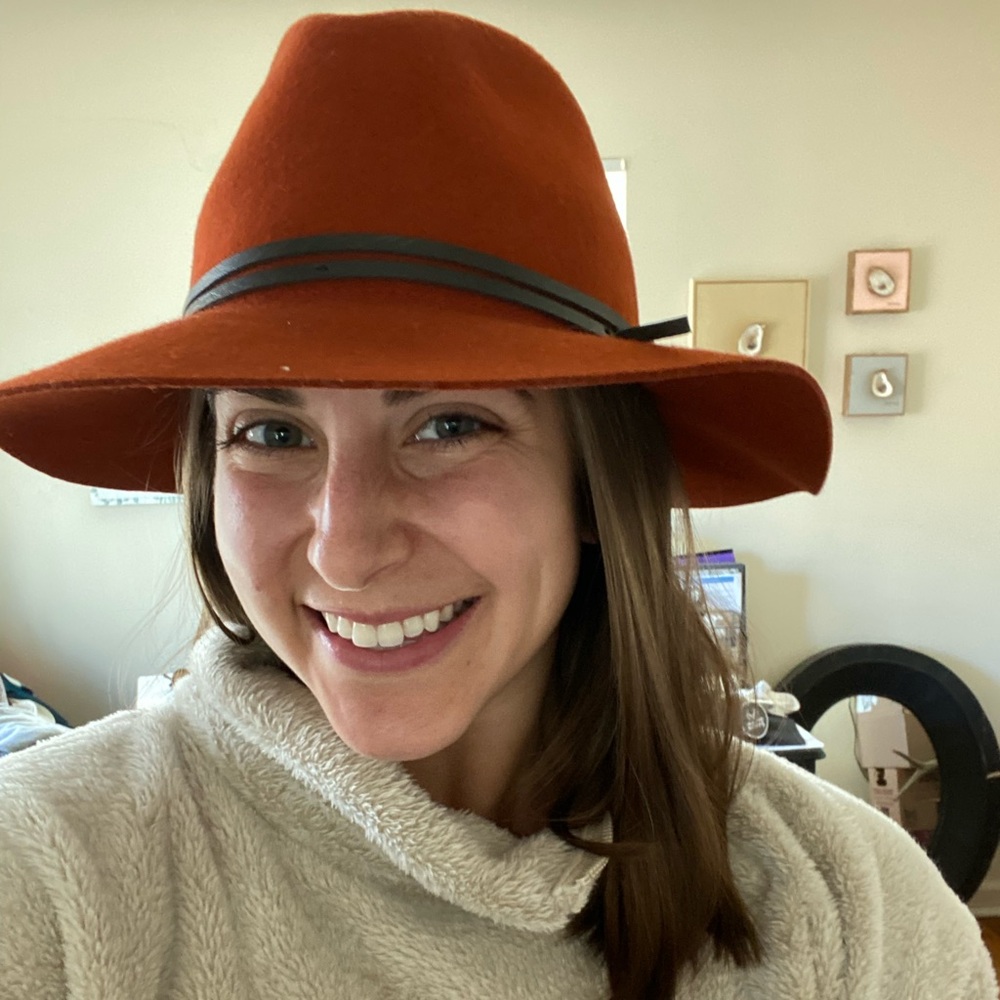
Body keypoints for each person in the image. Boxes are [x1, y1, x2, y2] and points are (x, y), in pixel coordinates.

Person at [0, 11, 993, 1000]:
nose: (346, 547)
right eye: (272, 432)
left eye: (447, 426)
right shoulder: (46, 873)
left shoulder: (848, 905)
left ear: (598, 484)